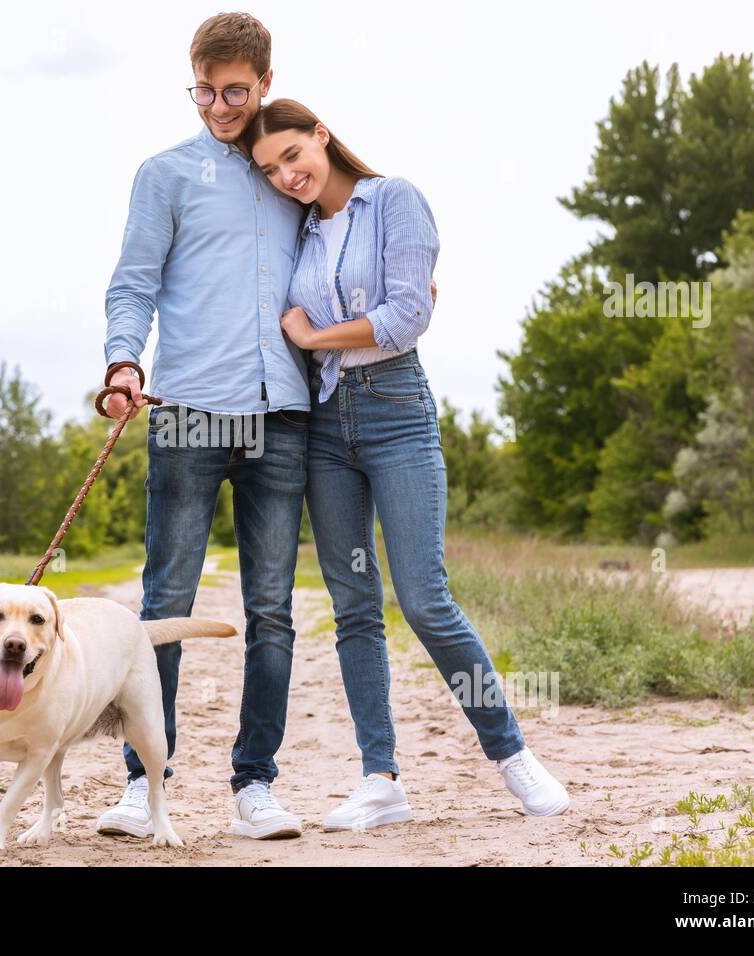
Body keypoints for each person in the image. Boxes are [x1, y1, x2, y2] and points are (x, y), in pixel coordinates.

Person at [243, 99, 571, 831]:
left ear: (322, 135)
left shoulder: (394, 200)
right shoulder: (297, 232)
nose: (286, 175)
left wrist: (315, 334)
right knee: (354, 607)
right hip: (325, 426)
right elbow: (345, 317)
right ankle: (380, 779)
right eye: (270, 169)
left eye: (293, 155)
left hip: (396, 414)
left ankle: (513, 753)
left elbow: (405, 319)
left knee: (424, 599)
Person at [98, 12, 309, 839]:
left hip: (282, 416)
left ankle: (255, 784)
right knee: (165, 601)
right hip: (185, 411)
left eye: (234, 91)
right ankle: (141, 784)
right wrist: (122, 362)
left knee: (274, 607)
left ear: (263, 81)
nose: (219, 107)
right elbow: (132, 284)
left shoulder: (291, 170)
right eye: (204, 91)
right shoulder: (166, 175)